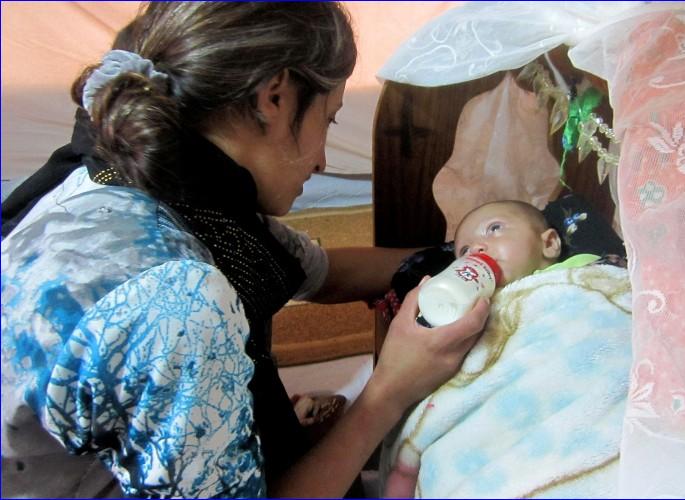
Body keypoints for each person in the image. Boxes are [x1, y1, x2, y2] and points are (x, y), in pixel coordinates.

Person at [0, 3, 490, 498]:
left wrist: (472, 254)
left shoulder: (138, 180)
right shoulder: (174, 296)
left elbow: (326, 275)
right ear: (274, 97)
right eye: (330, 119)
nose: (321, 160)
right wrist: (389, 392)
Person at [382, 199, 632, 498]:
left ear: (550, 243)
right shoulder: (474, 312)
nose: (477, 249)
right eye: (464, 251)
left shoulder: (587, 272)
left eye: (494, 229)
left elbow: (623, 299)